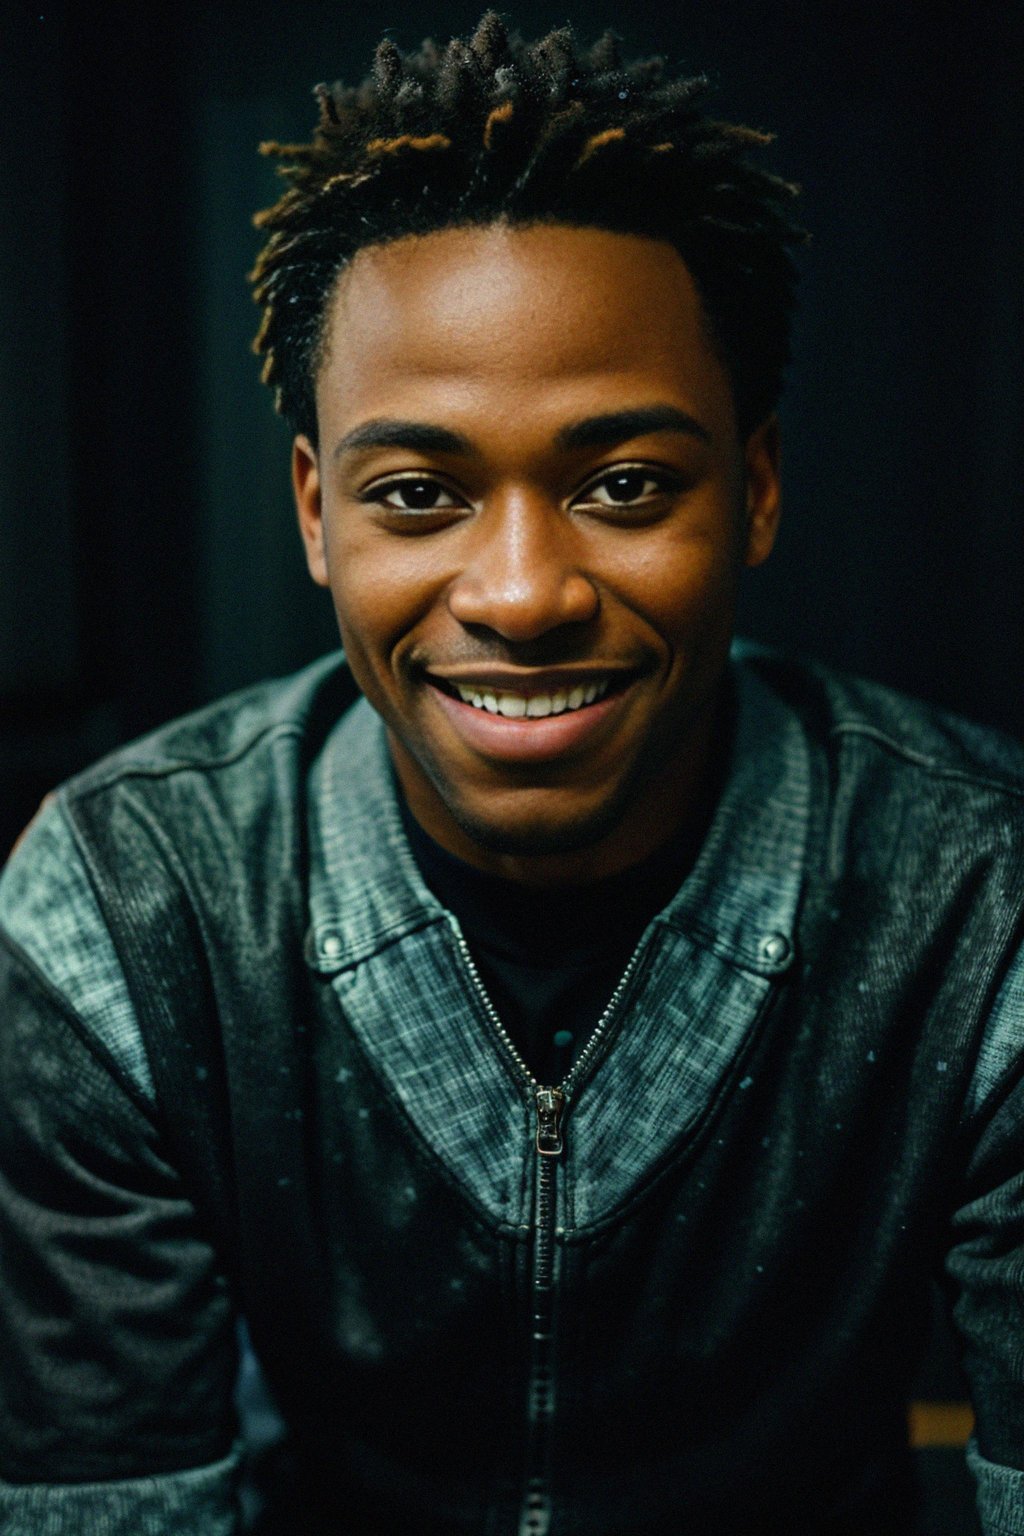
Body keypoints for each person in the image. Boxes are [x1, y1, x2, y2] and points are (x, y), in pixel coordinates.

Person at [1, 13, 1022, 1535]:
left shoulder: (980, 898)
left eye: (625, 485)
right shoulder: (128, 906)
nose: (525, 591)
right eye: (417, 494)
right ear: (315, 515)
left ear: (752, 489)